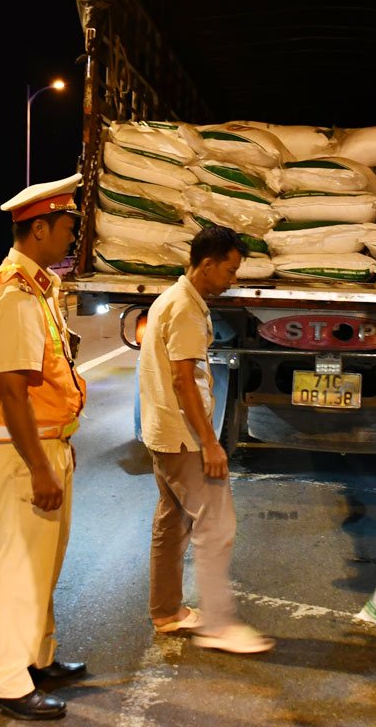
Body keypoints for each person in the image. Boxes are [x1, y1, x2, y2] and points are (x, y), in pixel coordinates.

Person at [0, 174, 89, 720]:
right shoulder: (15, 295)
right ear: (39, 227)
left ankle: (37, 657)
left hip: (48, 447)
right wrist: (41, 468)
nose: (72, 236)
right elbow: (12, 392)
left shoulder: (40, 288)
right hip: (25, 456)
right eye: (67, 227)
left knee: (43, 565)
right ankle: (4, 681)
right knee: (19, 568)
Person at [138, 226, 275, 655]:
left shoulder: (173, 300)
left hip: (162, 434)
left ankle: (167, 612)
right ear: (208, 264)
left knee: (173, 522)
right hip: (182, 439)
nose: (233, 278)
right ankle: (217, 625)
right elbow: (183, 380)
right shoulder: (184, 309)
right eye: (230, 270)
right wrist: (210, 443)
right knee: (217, 526)